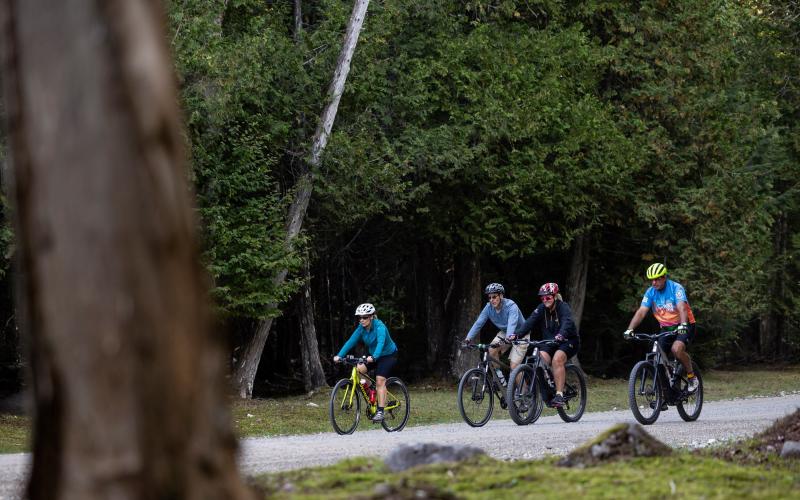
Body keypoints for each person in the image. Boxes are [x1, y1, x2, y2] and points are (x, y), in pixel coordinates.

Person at [623, 263, 698, 394]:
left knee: (676, 349)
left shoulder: (676, 288)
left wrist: (683, 325)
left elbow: (682, 307)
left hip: (685, 324)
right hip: (666, 328)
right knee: (656, 358)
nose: (654, 282)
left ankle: (692, 377)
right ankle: (664, 394)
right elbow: (641, 312)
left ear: (664, 277)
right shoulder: (650, 292)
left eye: (657, 279)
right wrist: (630, 329)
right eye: (652, 279)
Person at [333, 303, 398, 422]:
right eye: (360, 317)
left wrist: (374, 357)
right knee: (359, 368)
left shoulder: (380, 327)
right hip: (373, 356)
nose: (361, 320)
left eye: (364, 317)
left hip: (388, 355)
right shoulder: (361, 329)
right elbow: (350, 342)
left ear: (371, 316)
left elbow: (380, 343)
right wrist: (339, 355)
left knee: (380, 380)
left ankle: (380, 411)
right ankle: (371, 393)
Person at [519, 282, 580, 408]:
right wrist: (516, 335)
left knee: (557, 360)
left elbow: (567, 323)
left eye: (548, 297)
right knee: (538, 360)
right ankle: (547, 392)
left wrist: (561, 335)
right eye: (542, 298)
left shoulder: (563, 307)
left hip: (568, 341)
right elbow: (529, 322)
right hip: (550, 342)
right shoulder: (541, 308)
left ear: (555, 296)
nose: (545, 300)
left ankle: (559, 395)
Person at [463, 283, 528, 377]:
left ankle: (524, 391)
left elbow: (512, 323)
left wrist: (509, 338)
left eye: (494, 297)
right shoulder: (488, 307)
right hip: (506, 332)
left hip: (521, 333)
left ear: (501, 295)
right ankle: (499, 376)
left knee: (514, 367)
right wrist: (468, 338)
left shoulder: (511, 306)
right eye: (489, 297)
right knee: (491, 350)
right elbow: (479, 323)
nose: (491, 300)